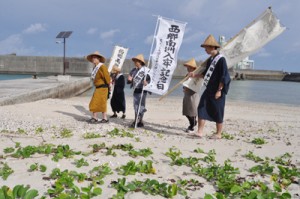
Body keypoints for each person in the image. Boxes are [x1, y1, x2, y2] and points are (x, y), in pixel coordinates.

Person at [189, 35, 231, 139]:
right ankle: (200, 132)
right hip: (209, 89)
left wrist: (219, 90)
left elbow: (224, 76)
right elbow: (205, 74)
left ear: (212, 47)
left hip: (217, 90)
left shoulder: (221, 60)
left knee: (218, 110)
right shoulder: (210, 60)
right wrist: (194, 75)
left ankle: (219, 133)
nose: (205, 50)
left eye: (206, 48)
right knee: (202, 107)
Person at [86, 51, 111, 124]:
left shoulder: (102, 66)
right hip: (98, 87)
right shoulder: (95, 68)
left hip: (103, 87)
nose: (93, 59)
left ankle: (96, 118)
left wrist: (109, 87)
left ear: (98, 59)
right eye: (93, 58)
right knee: (99, 102)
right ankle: (102, 118)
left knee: (96, 102)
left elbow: (107, 77)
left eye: (95, 58)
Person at [127, 54, 149, 128]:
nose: (135, 62)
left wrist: (147, 83)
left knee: (141, 105)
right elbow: (129, 81)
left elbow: (150, 80)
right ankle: (137, 120)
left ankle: (139, 121)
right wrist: (129, 80)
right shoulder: (133, 70)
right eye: (135, 61)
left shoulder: (145, 70)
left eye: (136, 61)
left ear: (140, 62)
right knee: (136, 106)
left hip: (143, 90)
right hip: (136, 90)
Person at [182, 58, 200, 133]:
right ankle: (193, 122)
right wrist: (184, 88)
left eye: (189, 67)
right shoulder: (187, 74)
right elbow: (184, 83)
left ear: (193, 68)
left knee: (193, 111)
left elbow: (197, 84)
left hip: (193, 94)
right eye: (187, 66)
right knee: (186, 111)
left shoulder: (196, 75)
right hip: (186, 94)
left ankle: (192, 125)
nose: (187, 68)